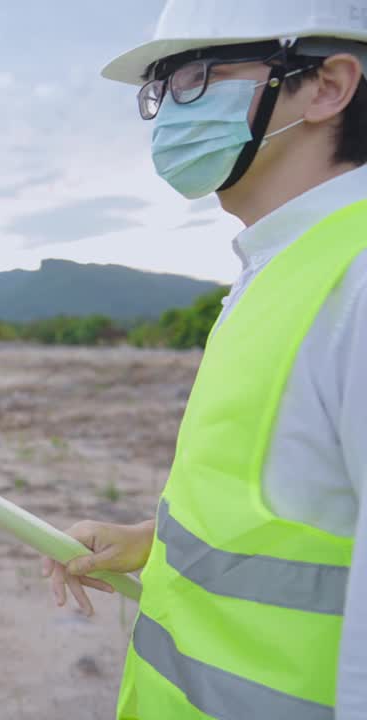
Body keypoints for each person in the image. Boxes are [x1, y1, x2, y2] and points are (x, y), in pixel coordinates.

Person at [42, 1, 367, 717]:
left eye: (195, 76)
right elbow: (308, 515)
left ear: (328, 86)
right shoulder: (275, 268)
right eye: (159, 89)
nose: (166, 114)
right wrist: (149, 543)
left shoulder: (357, 279)